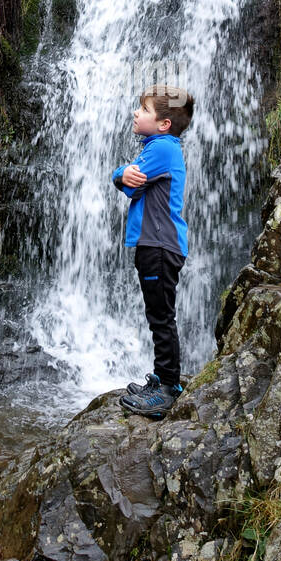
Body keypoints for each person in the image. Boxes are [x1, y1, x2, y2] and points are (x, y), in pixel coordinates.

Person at [110, 82, 194, 419]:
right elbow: (128, 180)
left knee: (161, 317)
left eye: (143, 110)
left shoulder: (162, 148)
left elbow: (128, 179)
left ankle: (167, 389)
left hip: (159, 245)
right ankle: (161, 378)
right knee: (157, 314)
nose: (135, 112)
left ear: (164, 124)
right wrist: (123, 176)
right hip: (154, 244)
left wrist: (120, 174)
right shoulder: (159, 146)